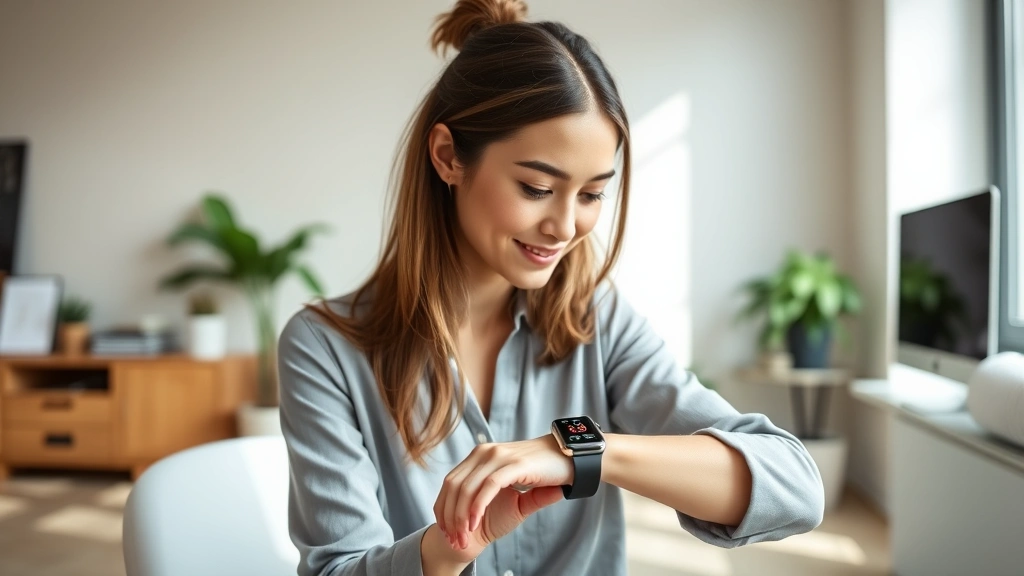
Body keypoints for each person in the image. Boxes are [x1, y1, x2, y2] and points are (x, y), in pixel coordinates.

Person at [278, 1, 825, 575]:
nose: (565, 227)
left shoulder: (596, 319)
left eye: (591, 195)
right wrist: (446, 549)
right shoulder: (325, 349)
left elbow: (793, 486)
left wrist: (577, 450)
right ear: (447, 158)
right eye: (537, 187)